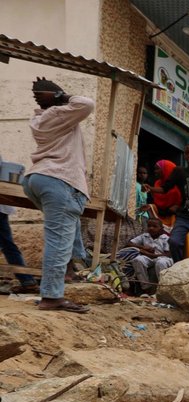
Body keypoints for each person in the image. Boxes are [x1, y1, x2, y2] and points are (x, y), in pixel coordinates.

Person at [21, 78, 95, 313]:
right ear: (53, 97)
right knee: (58, 239)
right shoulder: (58, 114)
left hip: (37, 179)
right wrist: (62, 96)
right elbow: (87, 103)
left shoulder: (39, 119)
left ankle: (72, 266)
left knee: (66, 227)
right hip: (58, 179)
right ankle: (52, 297)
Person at [0, 196, 38, 292]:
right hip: (2, 207)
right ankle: (27, 280)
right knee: (7, 245)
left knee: (7, 245)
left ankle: (27, 280)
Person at [128, 218, 172, 294]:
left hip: (163, 258)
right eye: (149, 226)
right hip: (149, 258)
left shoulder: (165, 238)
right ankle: (145, 287)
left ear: (161, 228)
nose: (151, 228)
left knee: (160, 262)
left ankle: (162, 287)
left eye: (155, 226)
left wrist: (150, 254)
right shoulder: (144, 236)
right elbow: (129, 243)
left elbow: (167, 254)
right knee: (137, 260)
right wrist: (143, 247)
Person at [141, 160, 181, 232]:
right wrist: (151, 206)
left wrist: (178, 206)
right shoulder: (157, 184)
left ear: (166, 169)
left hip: (178, 219)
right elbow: (159, 206)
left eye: (157, 168)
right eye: (154, 169)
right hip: (161, 219)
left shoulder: (179, 185)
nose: (155, 171)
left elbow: (186, 200)